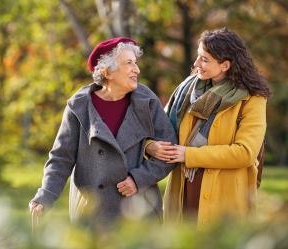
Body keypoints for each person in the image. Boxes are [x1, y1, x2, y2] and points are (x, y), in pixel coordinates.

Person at [29, 37, 177, 227]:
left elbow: (169, 151)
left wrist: (138, 178)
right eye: (129, 63)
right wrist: (44, 197)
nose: (137, 69)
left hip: (139, 210)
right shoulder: (79, 106)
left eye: (136, 63)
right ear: (107, 71)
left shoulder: (147, 101)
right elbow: (61, 158)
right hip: (93, 213)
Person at [145, 28, 271, 227]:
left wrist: (189, 155)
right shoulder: (186, 92)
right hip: (183, 191)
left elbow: (245, 153)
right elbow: (157, 130)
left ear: (225, 65)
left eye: (204, 59)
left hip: (225, 198)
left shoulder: (252, 99)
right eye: (197, 57)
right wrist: (150, 146)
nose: (196, 64)